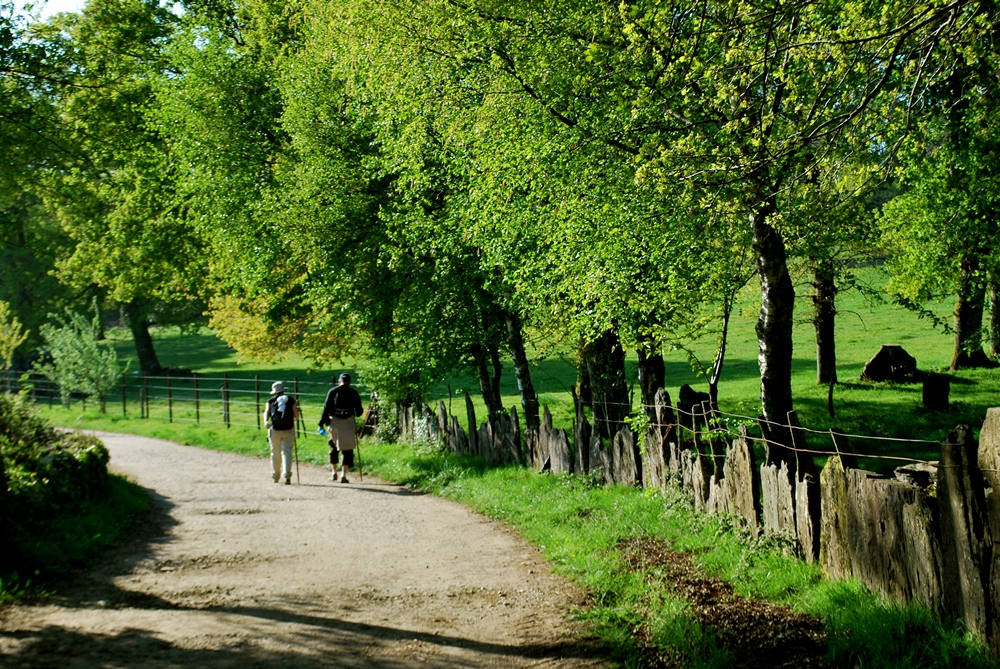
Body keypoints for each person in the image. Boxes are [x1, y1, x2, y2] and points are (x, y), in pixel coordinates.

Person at [319, 373, 364, 483]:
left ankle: (334, 472)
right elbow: (359, 412)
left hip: (335, 422)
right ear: (349, 382)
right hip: (348, 423)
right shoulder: (353, 392)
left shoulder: (333, 391)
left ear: (339, 381)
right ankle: (343, 474)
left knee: (333, 447)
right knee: (347, 449)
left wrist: (321, 423)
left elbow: (326, 407)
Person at [264, 381, 299, 485]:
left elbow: (267, 412)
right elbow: (296, 416)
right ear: (283, 390)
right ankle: (287, 476)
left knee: (275, 452)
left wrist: (266, 422)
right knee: (287, 452)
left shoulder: (270, 401)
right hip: (288, 429)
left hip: (275, 430)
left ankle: (276, 476)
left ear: (274, 392)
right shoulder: (291, 400)